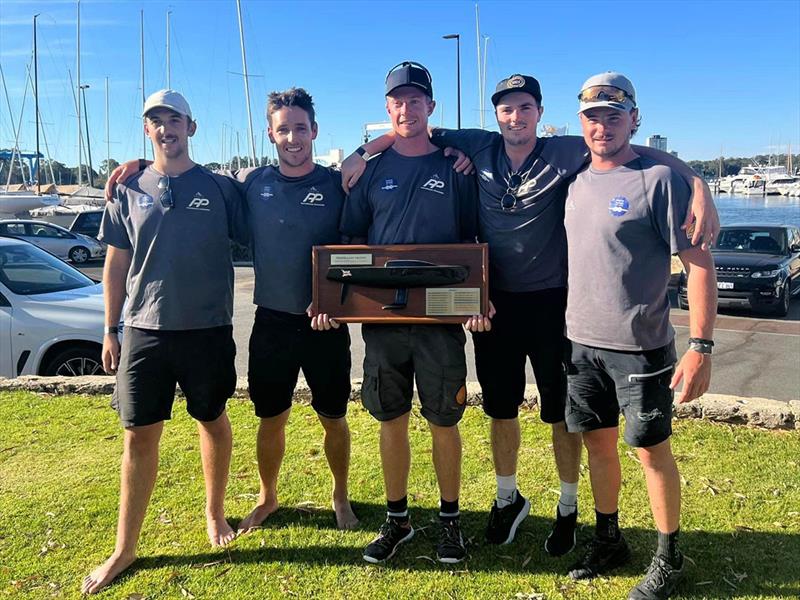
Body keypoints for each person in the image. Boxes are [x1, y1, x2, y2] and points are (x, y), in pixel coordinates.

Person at [341, 74, 719, 556]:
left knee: (563, 414)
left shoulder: (567, 149)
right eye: (506, 109)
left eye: (524, 108)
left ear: (540, 113)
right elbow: (411, 128)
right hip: (495, 302)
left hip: (555, 305)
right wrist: (361, 152)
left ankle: (567, 508)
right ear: (495, 115)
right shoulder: (477, 146)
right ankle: (507, 498)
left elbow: (639, 153)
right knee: (500, 408)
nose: (515, 117)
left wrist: (696, 181)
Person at [82, 90, 246, 595]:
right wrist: (111, 329)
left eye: (174, 118)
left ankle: (215, 514)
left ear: (191, 128)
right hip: (144, 331)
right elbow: (115, 263)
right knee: (137, 436)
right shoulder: (127, 187)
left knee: (213, 421)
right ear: (146, 130)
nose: (165, 127)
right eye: (155, 120)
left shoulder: (220, 188)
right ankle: (125, 547)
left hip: (207, 329)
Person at [563, 72, 716, 600]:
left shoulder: (658, 181)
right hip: (581, 345)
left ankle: (669, 556)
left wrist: (700, 347)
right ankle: (609, 539)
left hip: (642, 349)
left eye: (613, 115)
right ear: (580, 122)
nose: (601, 126)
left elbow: (699, 266)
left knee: (651, 453)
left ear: (634, 119)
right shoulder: (576, 177)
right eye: (592, 116)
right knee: (598, 446)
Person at [339, 61, 479, 564]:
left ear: (431, 107)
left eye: (415, 100)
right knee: (390, 418)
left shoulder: (454, 166)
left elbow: (473, 244)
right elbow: (352, 241)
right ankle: (397, 520)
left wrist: (479, 300)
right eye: (397, 101)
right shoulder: (369, 169)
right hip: (384, 321)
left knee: (445, 420)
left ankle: (450, 522)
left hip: (440, 320)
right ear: (387, 108)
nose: (406, 109)